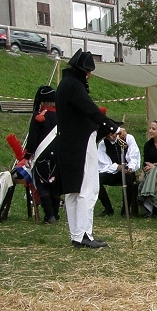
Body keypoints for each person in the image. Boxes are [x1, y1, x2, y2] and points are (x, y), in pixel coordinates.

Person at [56, 48, 122, 248]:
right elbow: (90, 110)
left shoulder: (65, 84)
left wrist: (110, 124)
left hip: (69, 143)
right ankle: (84, 233)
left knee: (74, 191)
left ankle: (77, 234)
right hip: (80, 143)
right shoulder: (75, 86)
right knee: (88, 188)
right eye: (88, 72)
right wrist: (114, 127)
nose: (90, 75)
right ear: (82, 71)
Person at [24, 85, 60, 224]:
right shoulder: (61, 116)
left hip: (42, 155)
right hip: (58, 155)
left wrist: (28, 155)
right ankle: (55, 214)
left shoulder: (39, 116)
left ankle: (50, 215)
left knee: (42, 184)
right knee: (55, 185)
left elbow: (33, 138)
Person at [97, 128, 140, 217]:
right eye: (108, 136)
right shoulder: (103, 144)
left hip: (128, 171)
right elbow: (102, 165)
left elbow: (134, 156)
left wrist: (130, 167)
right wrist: (117, 167)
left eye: (112, 134)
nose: (111, 137)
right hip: (113, 172)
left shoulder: (128, 138)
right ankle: (108, 208)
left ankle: (125, 210)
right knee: (97, 179)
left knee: (129, 180)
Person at [137, 120, 157, 217]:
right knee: (155, 171)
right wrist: (150, 167)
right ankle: (156, 208)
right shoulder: (148, 145)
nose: (150, 130)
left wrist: (156, 166)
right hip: (151, 173)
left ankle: (145, 194)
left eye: (153, 129)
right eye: (150, 128)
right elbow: (145, 162)